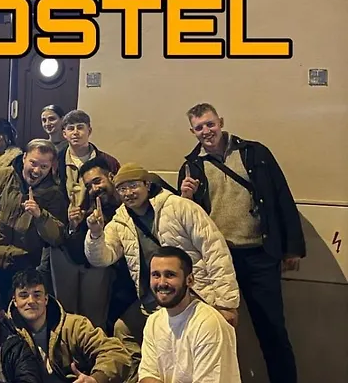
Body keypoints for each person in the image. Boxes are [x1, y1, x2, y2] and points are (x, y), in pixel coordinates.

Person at [177, 103, 305, 383]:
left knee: (272, 331)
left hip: (260, 255)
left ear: (221, 122)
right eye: (199, 127)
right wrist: (185, 196)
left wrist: (292, 248)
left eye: (210, 124)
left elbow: (281, 196)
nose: (206, 131)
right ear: (192, 131)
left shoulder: (254, 153)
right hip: (219, 261)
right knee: (216, 331)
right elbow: (186, 219)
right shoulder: (191, 166)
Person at [84, 162, 239, 379]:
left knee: (205, 352)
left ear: (147, 185)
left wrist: (226, 303)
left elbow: (215, 250)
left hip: (195, 296)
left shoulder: (179, 207)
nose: (128, 193)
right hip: (153, 301)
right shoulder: (120, 220)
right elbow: (101, 258)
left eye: (133, 186)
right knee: (123, 330)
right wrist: (95, 234)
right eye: (122, 188)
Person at [0, 268, 132, 382]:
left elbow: (115, 352)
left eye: (37, 294)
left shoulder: (74, 326)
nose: (31, 301)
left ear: (46, 299)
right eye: (23, 295)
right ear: (14, 301)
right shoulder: (6, 325)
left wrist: (96, 379)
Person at [0, 138, 67, 304]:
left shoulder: (54, 194)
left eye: (44, 166)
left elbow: (57, 237)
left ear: (51, 166)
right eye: (33, 163)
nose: (36, 170)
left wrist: (40, 215)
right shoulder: (0, 177)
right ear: (24, 158)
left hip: (28, 268)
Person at [50, 110, 121, 329]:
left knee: (95, 307)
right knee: (65, 309)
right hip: (63, 240)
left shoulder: (108, 162)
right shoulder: (54, 161)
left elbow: (117, 197)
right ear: (63, 133)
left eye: (80, 127)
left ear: (89, 130)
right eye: (70, 128)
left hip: (99, 237)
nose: (76, 133)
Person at [139, 247, 241, 383]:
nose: (162, 283)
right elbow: (147, 375)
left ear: (190, 280)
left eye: (170, 275)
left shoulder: (208, 324)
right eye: (156, 275)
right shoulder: (153, 322)